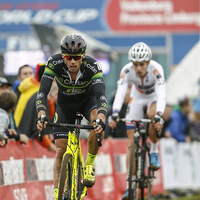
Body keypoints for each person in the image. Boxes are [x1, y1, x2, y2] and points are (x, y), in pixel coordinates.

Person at [35, 33, 108, 200]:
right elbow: (42, 93)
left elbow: (101, 97)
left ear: (83, 55)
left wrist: (101, 119)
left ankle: (89, 163)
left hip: (87, 102)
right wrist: (41, 115)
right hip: (65, 105)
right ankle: (57, 194)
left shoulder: (92, 66)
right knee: (61, 149)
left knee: (97, 120)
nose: (73, 61)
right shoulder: (54, 63)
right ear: (63, 55)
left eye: (76, 57)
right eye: (68, 57)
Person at [108, 42, 166, 200]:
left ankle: (153, 150)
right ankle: (129, 187)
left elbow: (162, 94)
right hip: (137, 98)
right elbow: (120, 93)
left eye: (141, 64)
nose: (138, 68)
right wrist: (114, 113)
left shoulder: (156, 69)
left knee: (152, 115)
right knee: (131, 143)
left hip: (153, 98)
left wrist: (159, 114)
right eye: (135, 64)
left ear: (147, 62)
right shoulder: (126, 70)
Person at [13, 63, 56, 152]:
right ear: (19, 78)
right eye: (25, 74)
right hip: (23, 140)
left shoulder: (40, 93)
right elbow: (37, 127)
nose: (28, 76)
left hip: (25, 140)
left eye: (30, 73)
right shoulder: (16, 95)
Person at [0, 77, 29, 144]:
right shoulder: (3, 113)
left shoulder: (8, 107)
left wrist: (8, 132)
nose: (5, 90)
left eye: (7, 87)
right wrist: (17, 136)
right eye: (2, 87)